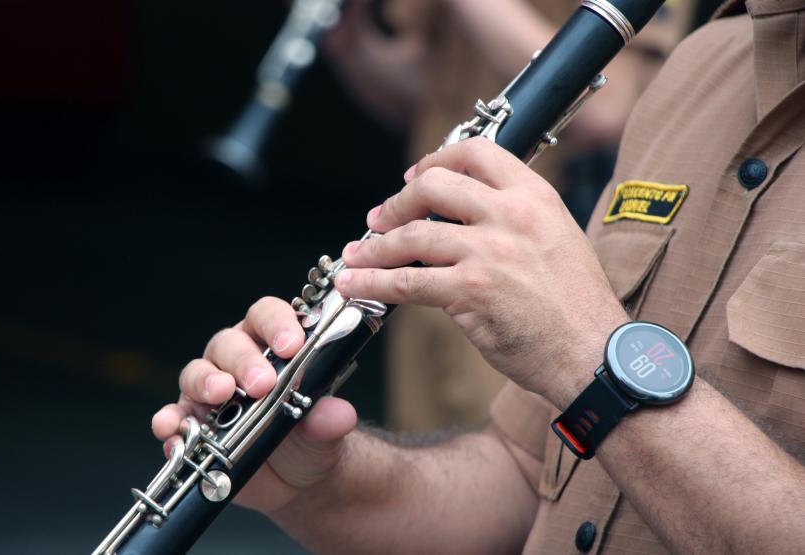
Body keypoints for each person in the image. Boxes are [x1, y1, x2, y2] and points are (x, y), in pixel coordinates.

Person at [152, 0, 805, 551]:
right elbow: (521, 477)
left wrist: (586, 352)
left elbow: (584, 355)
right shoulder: (706, 64)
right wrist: (320, 483)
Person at [324, 0, 693, 431]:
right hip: (427, 246)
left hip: (534, 269)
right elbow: (420, 92)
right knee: (422, 447)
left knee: (506, 456)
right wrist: (345, 38)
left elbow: (606, 109)